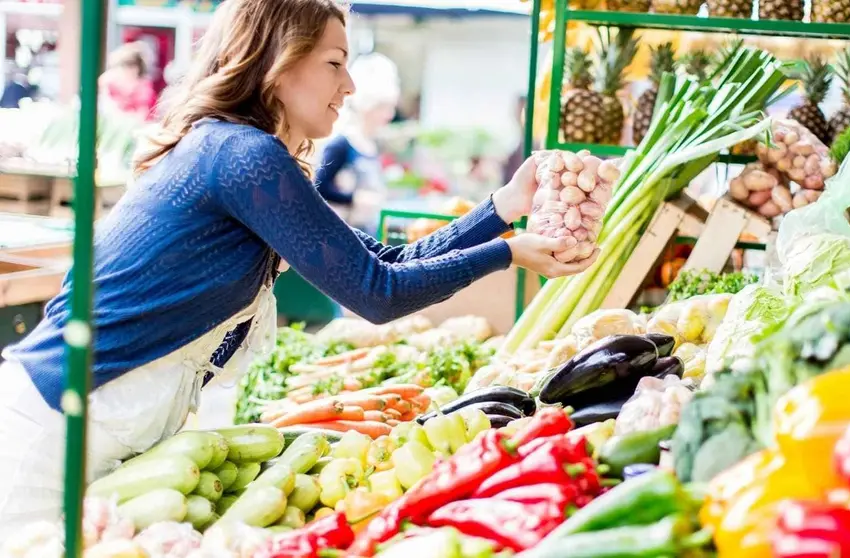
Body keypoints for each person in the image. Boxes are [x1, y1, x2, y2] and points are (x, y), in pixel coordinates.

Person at [0, 0, 597, 538]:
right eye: (335, 63)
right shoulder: (244, 156)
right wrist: (508, 253)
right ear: (279, 63)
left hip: (93, 427)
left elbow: (382, 263)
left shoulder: (237, 151)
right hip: (52, 435)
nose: (350, 84)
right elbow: (378, 293)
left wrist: (503, 209)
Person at [313, 52, 400, 235]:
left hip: (368, 233)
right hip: (345, 234)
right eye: (383, 108)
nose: (389, 115)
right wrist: (354, 198)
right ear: (368, 106)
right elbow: (319, 187)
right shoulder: (341, 145)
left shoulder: (371, 144)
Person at [98, 42, 157, 120]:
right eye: (125, 65)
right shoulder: (111, 81)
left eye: (132, 65)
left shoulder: (143, 86)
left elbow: (143, 113)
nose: (128, 69)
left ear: (139, 67)